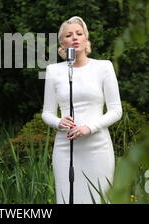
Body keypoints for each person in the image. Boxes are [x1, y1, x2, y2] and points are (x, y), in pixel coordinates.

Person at [41, 16, 122, 204]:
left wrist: (89, 127)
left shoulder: (104, 67)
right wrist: (58, 122)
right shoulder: (54, 71)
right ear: (62, 43)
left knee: (99, 198)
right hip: (65, 147)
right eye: (69, 35)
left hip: (98, 147)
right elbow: (47, 113)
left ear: (86, 39)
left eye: (79, 33)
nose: (75, 37)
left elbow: (116, 110)